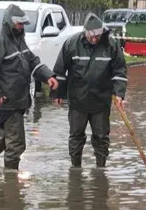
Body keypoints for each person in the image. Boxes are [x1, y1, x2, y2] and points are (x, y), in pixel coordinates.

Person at [0, 4, 58, 171]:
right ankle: (11, 180)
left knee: (1, 138)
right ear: (9, 22)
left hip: (16, 100)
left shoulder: (18, 40)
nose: (22, 27)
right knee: (16, 145)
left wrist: (48, 76)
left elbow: (31, 61)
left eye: (23, 24)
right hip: (6, 101)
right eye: (19, 24)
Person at [51, 13, 127, 168]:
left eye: (97, 36)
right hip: (78, 101)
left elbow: (120, 71)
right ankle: (75, 168)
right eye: (91, 36)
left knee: (101, 137)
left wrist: (119, 94)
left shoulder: (111, 45)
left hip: (101, 101)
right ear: (84, 32)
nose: (94, 39)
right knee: (76, 136)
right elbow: (60, 70)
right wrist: (58, 94)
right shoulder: (71, 44)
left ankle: (101, 168)